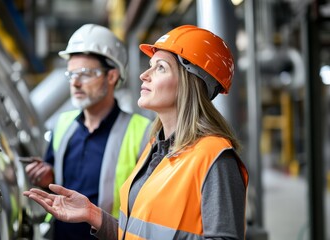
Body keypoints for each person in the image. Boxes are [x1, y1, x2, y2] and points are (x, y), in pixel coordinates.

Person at [24, 25, 249, 240]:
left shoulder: (215, 158)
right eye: (150, 65)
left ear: (188, 82)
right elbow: (138, 231)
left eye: (160, 67)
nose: (144, 75)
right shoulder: (157, 148)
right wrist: (93, 214)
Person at [24, 24, 151, 240]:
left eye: (84, 73)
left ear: (112, 76)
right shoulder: (63, 125)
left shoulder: (143, 132)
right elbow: (56, 180)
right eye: (71, 73)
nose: (75, 82)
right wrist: (48, 178)